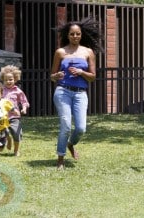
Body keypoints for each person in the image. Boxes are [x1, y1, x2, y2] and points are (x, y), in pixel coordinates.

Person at [50, 17, 103, 170]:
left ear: (81, 35)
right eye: (72, 34)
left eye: (77, 34)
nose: (75, 36)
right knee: (66, 125)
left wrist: (81, 72)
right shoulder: (60, 52)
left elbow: (93, 77)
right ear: (67, 35)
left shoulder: (88, 52)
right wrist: (56, 76)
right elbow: (52, 76)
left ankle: (70, 144)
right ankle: (61, 158)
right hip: (63, 91)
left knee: (81, 128)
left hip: (80, 93)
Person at [0, 65, 30, 156]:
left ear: (15, 79)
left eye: (10, 79)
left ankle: (16, 150)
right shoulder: (1, 90)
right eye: (6, 80)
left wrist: (24, 109)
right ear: (3, 80)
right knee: (3, 133)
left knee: (17, 134)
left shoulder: (18, 91)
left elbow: (24, 102)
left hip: (14, 117)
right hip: (2, 116)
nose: (8, 82)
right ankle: (7, 140)